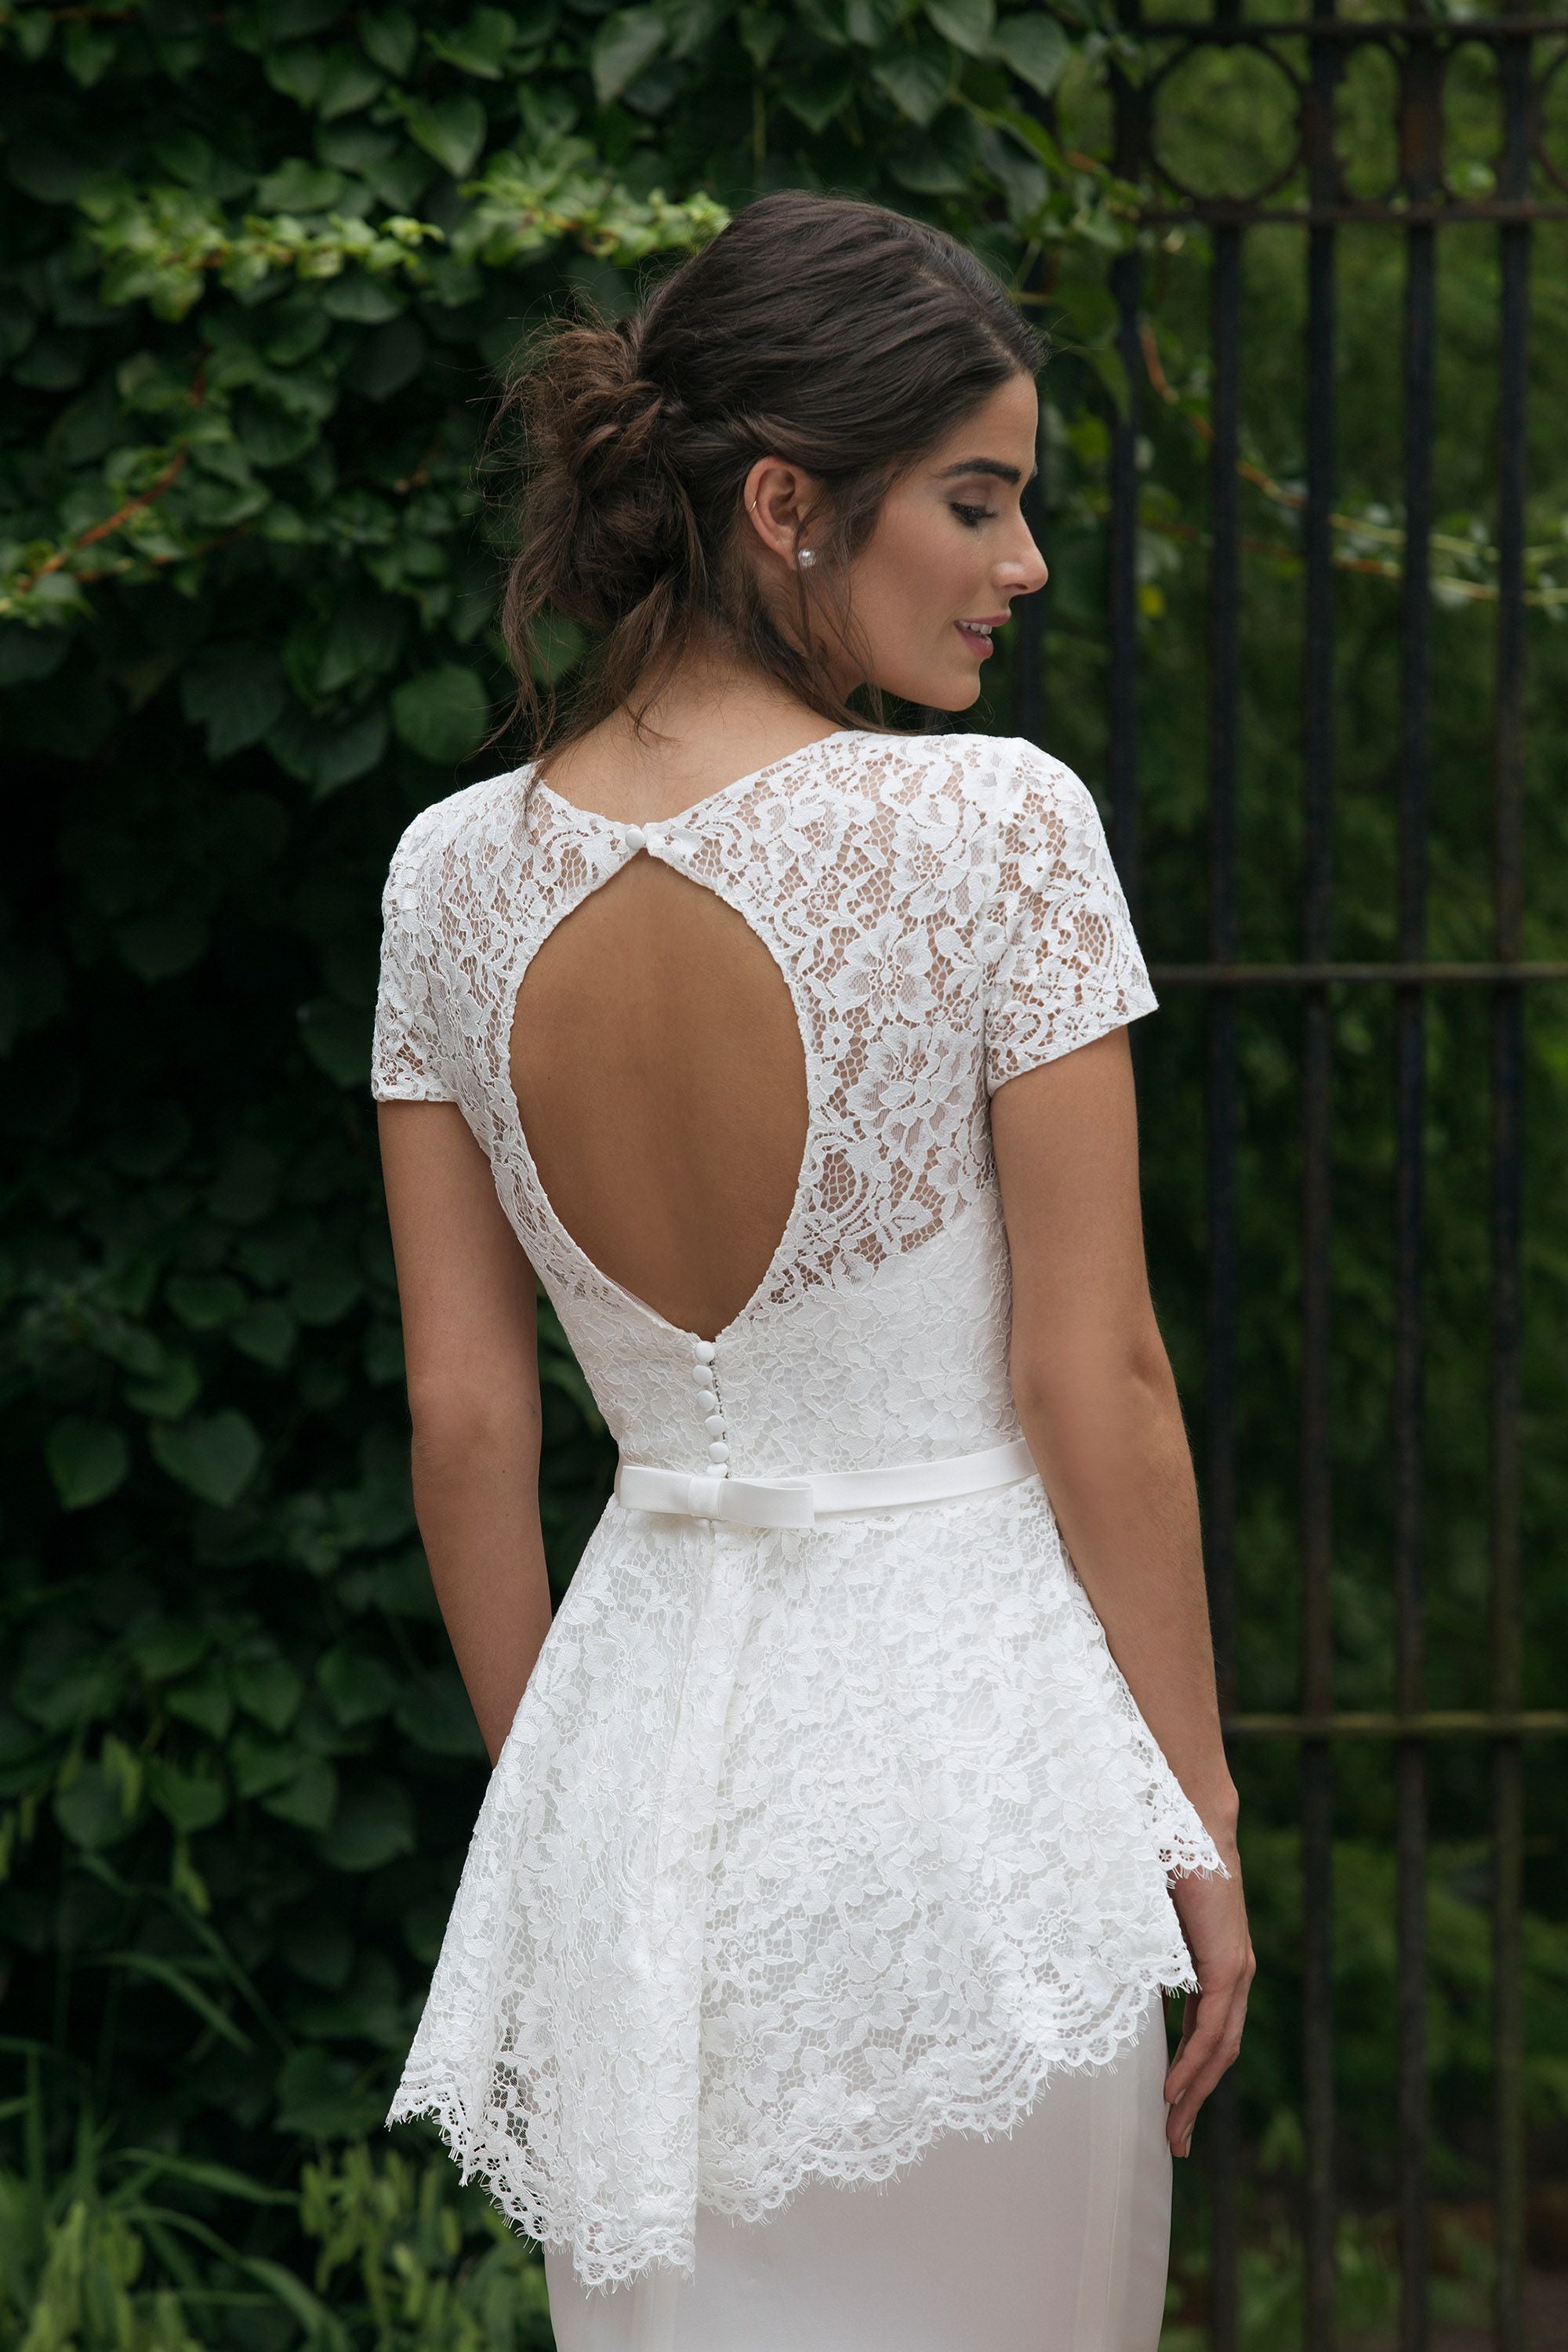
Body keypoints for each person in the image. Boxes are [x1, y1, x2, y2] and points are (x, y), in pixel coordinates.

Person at [372, 189, 1254, 2352]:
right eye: (975, 500)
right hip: (979, 1799)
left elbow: (466, 1422)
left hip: (634, 1798)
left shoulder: (445, 879)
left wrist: (560, 1817)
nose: (1022, 564)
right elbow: (1099, 1382)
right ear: (787, 505)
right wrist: (1200, 1810)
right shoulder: (998, 831)